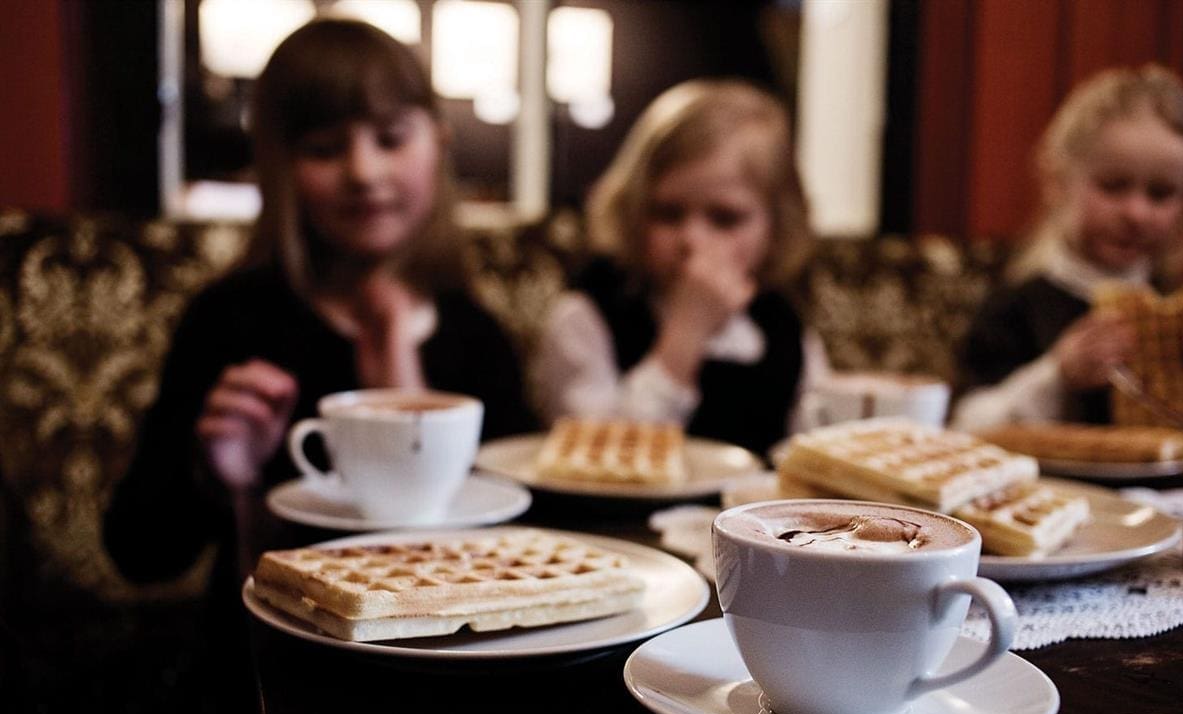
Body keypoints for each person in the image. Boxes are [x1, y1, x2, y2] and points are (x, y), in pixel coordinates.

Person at [105, 19, 535, 586]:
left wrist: (405, 394)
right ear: (278, 168)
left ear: (439, 143)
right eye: (325, 149)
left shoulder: (475, 334)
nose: (363, 172)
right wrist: (216, 474)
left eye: (391, 139)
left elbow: (531, 536)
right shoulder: (231, 321)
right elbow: (139, 554)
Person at [531, 79, 828, 455]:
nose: (692, 240)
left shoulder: (787, 328)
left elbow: (813, 450)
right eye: (668, 214)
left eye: (725, 218)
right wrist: (685, 335)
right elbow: (600, 458)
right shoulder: (587, 316)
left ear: (776, 226)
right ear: (634, 211)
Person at [953, 63, 1183, 431]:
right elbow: (965, 423)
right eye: (1113, 186)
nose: (1137, 213)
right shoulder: (1017, 306)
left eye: (1161, 194)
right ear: (1059, 183)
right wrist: (1056, 377)